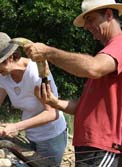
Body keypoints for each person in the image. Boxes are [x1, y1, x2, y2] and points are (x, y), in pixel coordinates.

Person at [24, 0, 122, 166]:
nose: (86, 26)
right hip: (91, 146)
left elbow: (93, 68)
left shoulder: (118, 46)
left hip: (102, 146)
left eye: (90, 19)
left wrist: (48, 52)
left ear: (109, 15)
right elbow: (84, 108)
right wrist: (54, 102)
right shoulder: (107, 55)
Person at [0, 32, 67, 166]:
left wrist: (16, 126)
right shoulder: (3, 77)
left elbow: (52, 113)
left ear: (11, 57)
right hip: (31, 135)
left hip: (51, 137)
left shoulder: (36, 74)